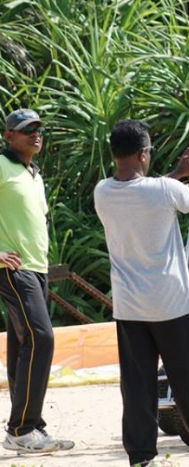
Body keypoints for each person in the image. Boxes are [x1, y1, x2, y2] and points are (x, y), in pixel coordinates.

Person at [94, 120, 189, 466]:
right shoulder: (162, 191)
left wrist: (177, 172)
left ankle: (142, 457)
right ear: (144, 153)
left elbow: (148, 194)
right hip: (172, 304)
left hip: (130, 309)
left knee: (137, 388)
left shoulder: (103, 191)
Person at [0, 109, 75, 453]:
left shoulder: (33, 173)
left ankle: (24, 429)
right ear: (8, 136)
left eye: (38, 129)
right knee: (41, 338)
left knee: (22, 346)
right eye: (27, 130)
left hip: (36, 268)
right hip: (14, 269)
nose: (35, 134)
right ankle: (22, 428)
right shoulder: (1, 166)